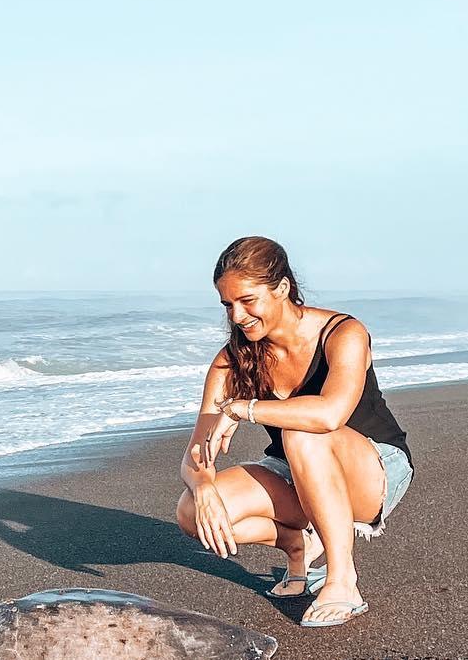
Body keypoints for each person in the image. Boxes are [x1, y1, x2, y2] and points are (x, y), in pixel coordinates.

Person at [175, 235, 414, 627]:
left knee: (301, 433)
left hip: (374, 468)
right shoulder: (232, 360)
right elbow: (195, 455)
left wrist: (244, 409)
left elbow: (329, 415)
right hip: (295, 471)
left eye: (247, 301)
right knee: (190, 511)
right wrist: (202, 487)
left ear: (283, 288)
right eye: (228, 304)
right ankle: (299, 546)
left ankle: (342, 579)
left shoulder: (343, 333)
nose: (236, 316)